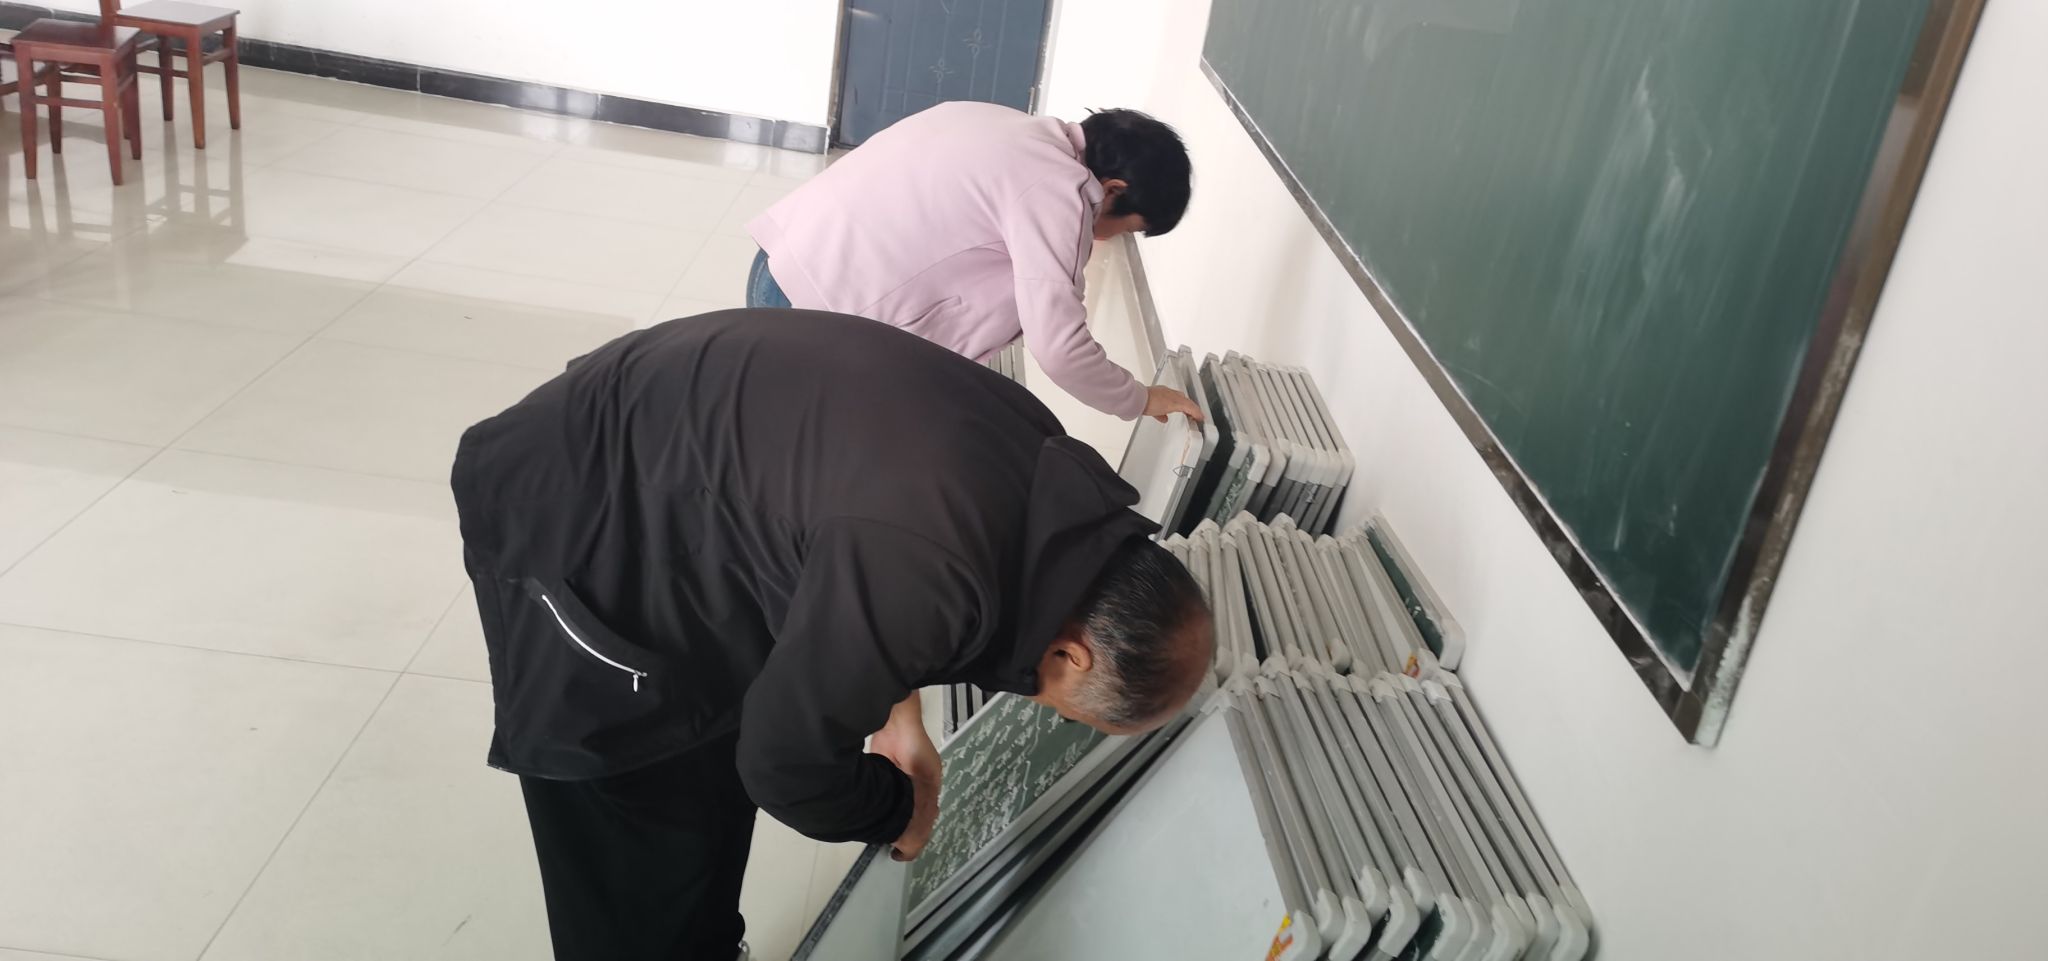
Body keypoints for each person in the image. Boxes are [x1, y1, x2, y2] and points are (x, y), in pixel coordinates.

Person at [451, 308, 1216, 961]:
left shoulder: (1049, 482)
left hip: (669, 466)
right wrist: (899, 806)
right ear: (1072, 653)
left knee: (706, 757)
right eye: (1067, 708)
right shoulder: (934, 568)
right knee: (631, 820)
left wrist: (899, 714)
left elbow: (882, 557)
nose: (1049, 708)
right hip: (571, 509)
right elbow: (784, 766)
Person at [747, 103, 1202, 424]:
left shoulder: (1003, 123)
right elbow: (1060, 348)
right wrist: (1139, 399)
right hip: (820, 317)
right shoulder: (1058, 188)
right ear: (1114, 189)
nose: (1105, 238)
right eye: (1124, 229)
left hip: (780, 266)